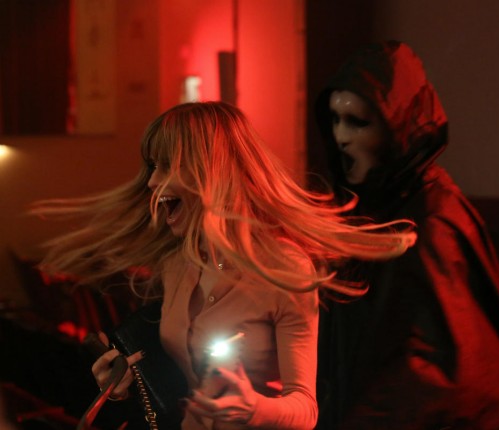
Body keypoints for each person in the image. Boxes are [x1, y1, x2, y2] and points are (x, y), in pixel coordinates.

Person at [32, 101, 416, 429]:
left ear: (211, 172)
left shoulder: (284, 266)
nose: (152, 182)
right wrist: (122, 386)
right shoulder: (178, 260)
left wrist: (253, 408)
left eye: (165, 166)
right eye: (152, 167)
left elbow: (305, 409)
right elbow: (181, 384)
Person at [313, 40, 499, 429]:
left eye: (358, 122)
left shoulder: (433, 217)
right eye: (335, 120)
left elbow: (431, 367)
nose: (341, 136)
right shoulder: (371, 209)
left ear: (398, 127)